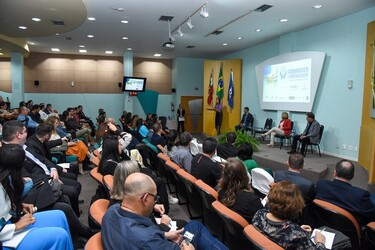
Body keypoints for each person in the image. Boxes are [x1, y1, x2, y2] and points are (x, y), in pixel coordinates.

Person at [102, 172, 228, 250]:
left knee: (194, 227)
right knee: (195, 231)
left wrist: (163, 235)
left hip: (158, 241)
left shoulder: (111, 212)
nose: (155, 202)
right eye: (154, 198)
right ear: (145, 199)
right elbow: (146, 240)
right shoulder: (147, 240)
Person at [0, 144, 74, 250]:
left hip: (8, 225)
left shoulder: (4, 180)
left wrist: (17, 206)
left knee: (59, 216)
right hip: (5, 238)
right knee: (60, 236)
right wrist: (15, 227)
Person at [252, 181, 326, 249]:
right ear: (296, 205)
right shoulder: (298, 236)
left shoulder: (259, 214)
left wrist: (298, 229)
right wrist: (320, 242)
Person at [316, 160, 375, 226]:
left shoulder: (321, 184)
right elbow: (371, 216)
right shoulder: (360, 195)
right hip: (350, 232)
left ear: (335, 173)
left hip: (324, 223)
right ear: (353, 176)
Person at [218, 158, 263, 223]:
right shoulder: (251, 199)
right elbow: (261, 219)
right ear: (245, 175)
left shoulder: (221, 192)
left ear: (224, 175)